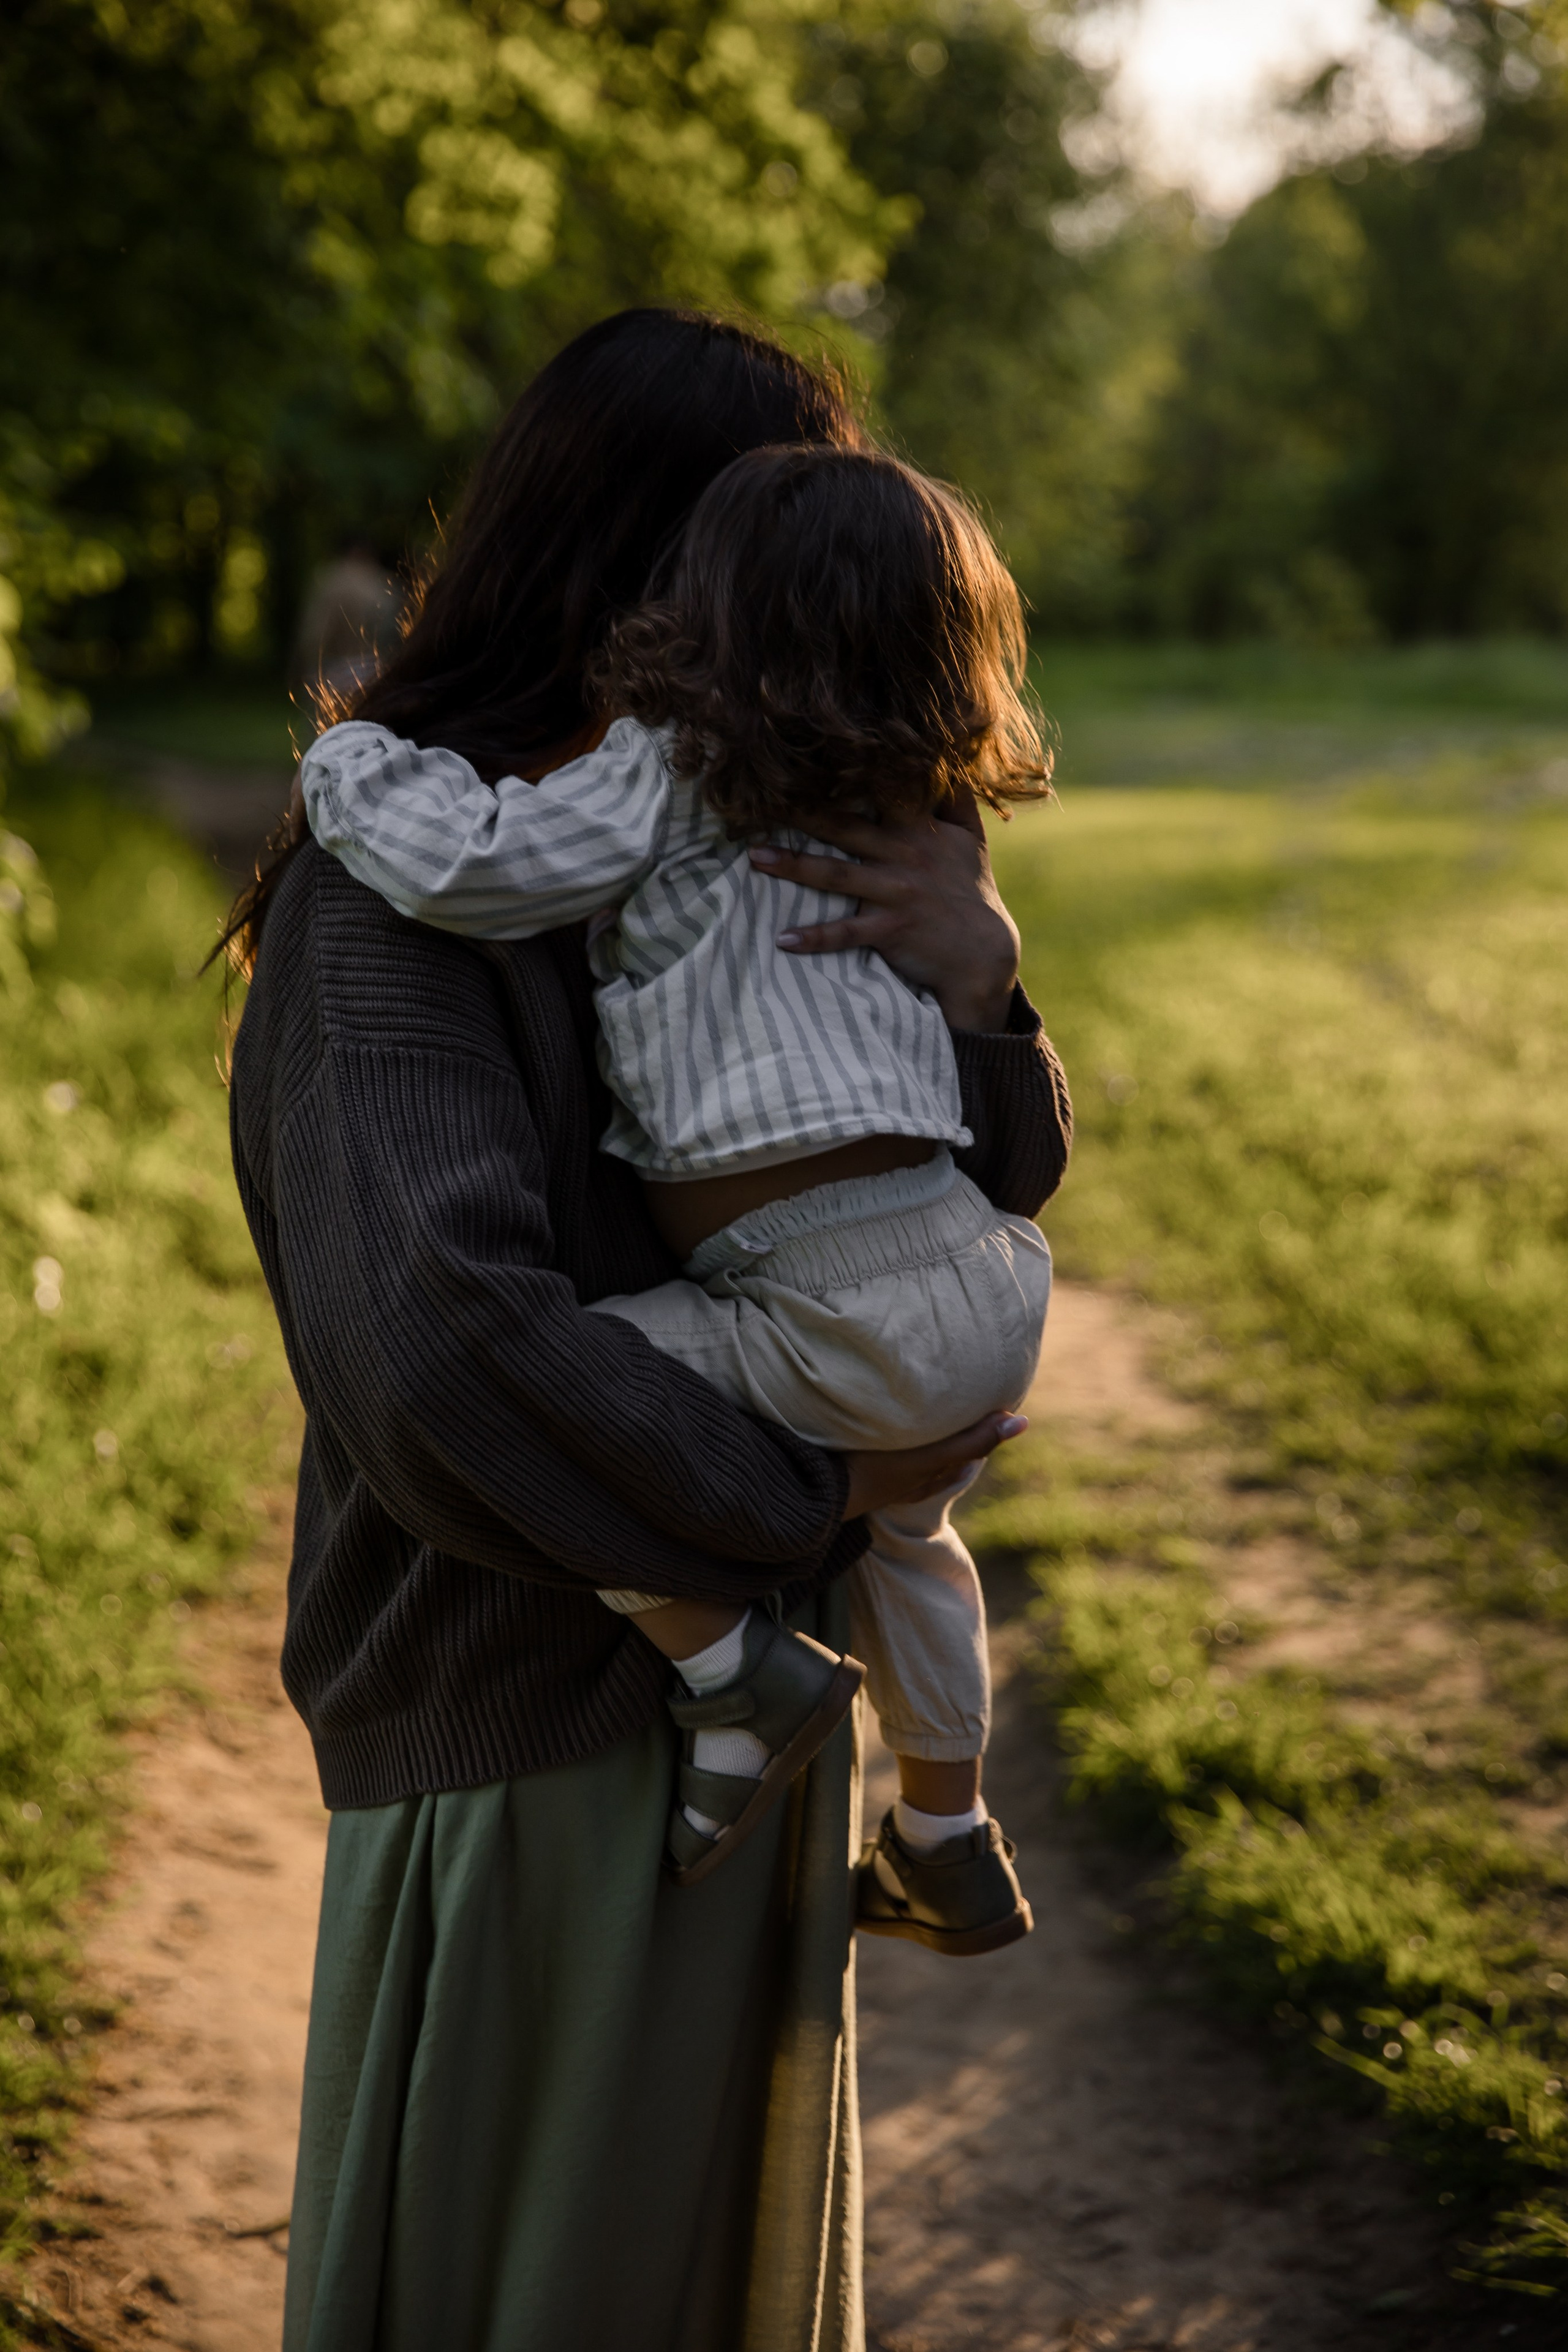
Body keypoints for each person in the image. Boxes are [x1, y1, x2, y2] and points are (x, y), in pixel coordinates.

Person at [224, 308, 1071, 2352]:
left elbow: (978, 1182)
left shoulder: (765, 825)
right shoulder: (410, 889)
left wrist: (985, 987)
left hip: (745, 1726)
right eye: (757, 552)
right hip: (538, 1730)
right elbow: (438, 1351)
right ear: (641, 567)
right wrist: (816, 1488)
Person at [300, 443, 1055, 1954]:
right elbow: (1010, 1154)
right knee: (915, 1538)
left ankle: (731, 1669)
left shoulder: (668, 762)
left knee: (553, 1420)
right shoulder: (920, 817)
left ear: (702, 608)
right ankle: (944, 1827)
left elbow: (487, 864)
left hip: (819, 1294)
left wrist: (346, 760)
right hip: (987, 1276)